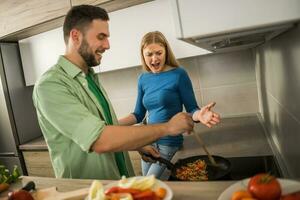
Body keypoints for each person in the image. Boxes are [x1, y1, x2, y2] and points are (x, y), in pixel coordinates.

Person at [32, 5, 194, 180]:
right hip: (87, 190)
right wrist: (168, 127)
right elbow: (100, 140)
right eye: (101, 37)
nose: (107, 45)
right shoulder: (50, 85)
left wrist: (136, 145)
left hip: (115, 183)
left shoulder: (90, 78)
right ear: (76, 36)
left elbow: (106, 127)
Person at [119, 31, 221, 179]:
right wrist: (112, 123)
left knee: (149, 183)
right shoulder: (143, 79)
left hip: (169, 141)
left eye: (158, 53)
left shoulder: (179, 74)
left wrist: (200, 115)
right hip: (147, 140)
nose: (154, 59)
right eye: (149, 54)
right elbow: (138, 114)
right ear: (143, 55)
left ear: (166, 52)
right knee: (145, 186)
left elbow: (192, 109)